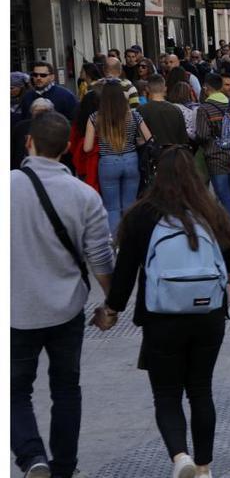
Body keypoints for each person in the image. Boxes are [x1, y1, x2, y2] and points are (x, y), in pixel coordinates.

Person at [104, 147, 230, 478]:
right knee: (200, 390)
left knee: (166, 393)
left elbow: (124, 273)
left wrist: (111, 309)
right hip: (208, 315)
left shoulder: (142, 214)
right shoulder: (213, 211)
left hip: (161, 316)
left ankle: (181, 457)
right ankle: (206, 467)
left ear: (156, 174)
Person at [11, 112, 115, 478]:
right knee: (66, 389)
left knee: (13, 391)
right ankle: (64, 468)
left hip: (15, 313)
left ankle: (32, 457)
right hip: (66, 310)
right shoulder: (84, 195)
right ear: (69, 148)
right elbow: (101, 256)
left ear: (29, 143)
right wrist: (111, 302)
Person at [83, 81, 152, 234]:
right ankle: (130, 240)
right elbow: (148, 138)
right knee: (129, 204)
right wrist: (134, 141)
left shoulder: (95, 117)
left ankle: (115, 245)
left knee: (112, 208)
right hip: (130, 159)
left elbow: (86, 147)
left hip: (107, 162)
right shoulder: (134, 115)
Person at [196, 73, 230, 218]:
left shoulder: (204, 109)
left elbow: (203, 135)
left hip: (215, 157)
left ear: (206, 88)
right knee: (228, 193)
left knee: (224, 196)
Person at [137, 74, 189, 146]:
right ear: (165, 89)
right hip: (174, 154)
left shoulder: (141, 110)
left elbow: (138, 138)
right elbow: (183, 139)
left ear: (147, 89)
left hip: (151, 155)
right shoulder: (176, 110)